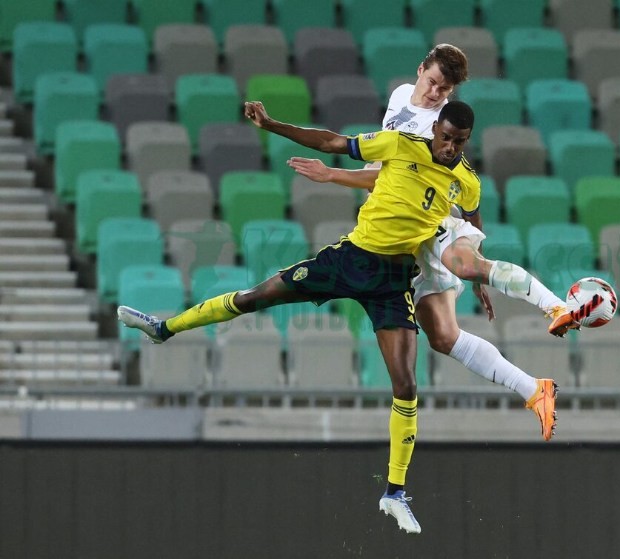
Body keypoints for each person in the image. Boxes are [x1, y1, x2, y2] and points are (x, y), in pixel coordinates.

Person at [119, 98, 483, 535]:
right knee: (256, 297)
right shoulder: (400, 144)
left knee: (405, 384)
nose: (448, 146)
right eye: (444, 137)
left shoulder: (467, 181)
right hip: (348, 261)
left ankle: (394, 492)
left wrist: (480, 276)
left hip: (393, 280)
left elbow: (472, 228)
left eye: (457, 141)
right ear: (435, 130)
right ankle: (164, 328)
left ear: (466, 140)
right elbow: (332, 141)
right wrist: (272, 125)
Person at [288, 43, 576, 442]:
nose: (434, 92)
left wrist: (332, 176)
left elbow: (386, 178)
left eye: (444, 90)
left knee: (466, 265)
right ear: (420, 70)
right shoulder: (399, 97)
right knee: (442, 336)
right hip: (400, 237)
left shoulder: (431, 131)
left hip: (427, 222)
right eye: (432, 81)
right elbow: (383, 166)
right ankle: (534, 389)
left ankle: (557, 307)